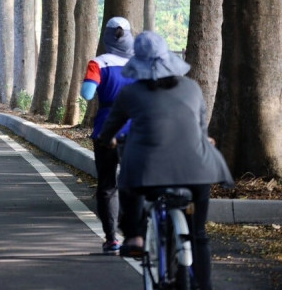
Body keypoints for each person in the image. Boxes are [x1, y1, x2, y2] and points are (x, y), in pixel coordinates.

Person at [98, 31, 233, 290]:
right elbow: (200, 128)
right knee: (199, 235)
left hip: (149, 171)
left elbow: (110, 128)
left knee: (128, 180)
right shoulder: (192, 88)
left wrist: (107, 140)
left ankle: (136, 236)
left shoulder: (131, 93)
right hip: (199, 170)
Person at [80, 16, 135, 254]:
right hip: (137, 129)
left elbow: (87, 93)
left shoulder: (98, 63)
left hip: (106, 129)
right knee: (135, 183)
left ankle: (112, 238)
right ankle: (136, 235)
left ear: (106, 37)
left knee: (107, 185)